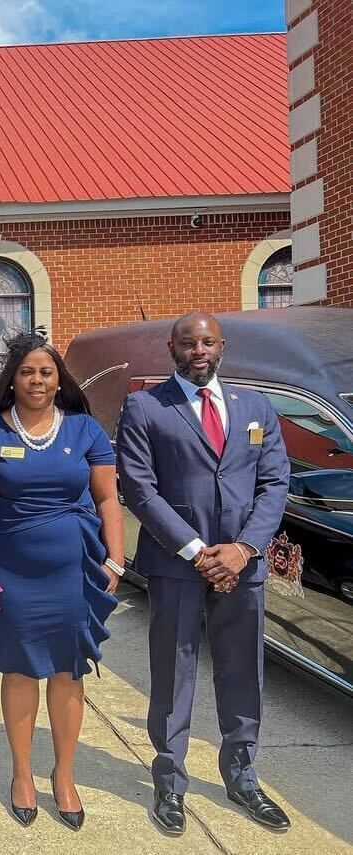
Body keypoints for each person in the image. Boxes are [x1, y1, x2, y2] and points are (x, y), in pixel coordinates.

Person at [116, 312, 291, 835]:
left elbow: (275, 481)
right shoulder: (146, 406)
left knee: (242, 674)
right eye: (188, 342)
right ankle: (169, 780)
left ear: (222, 346)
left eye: (207, 341)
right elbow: (139, 488)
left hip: (243, 567)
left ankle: (242, 774)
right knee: (173, 674)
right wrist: (197, 552)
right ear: (171, 346)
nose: (199, 350)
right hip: (176, 566)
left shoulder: (255, 406)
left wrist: (244, 549)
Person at [0, 332, 123, 832]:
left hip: (74, 568)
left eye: (46, 371)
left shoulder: (85, 430)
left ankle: (64, 774)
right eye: (27, 371)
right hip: (9, 572)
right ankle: (21, 773)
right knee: (18, 670)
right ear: (12, 379)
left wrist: (115, 561)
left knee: (67, 671)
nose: (36, 379)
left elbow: (107, 500)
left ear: (59, 381)